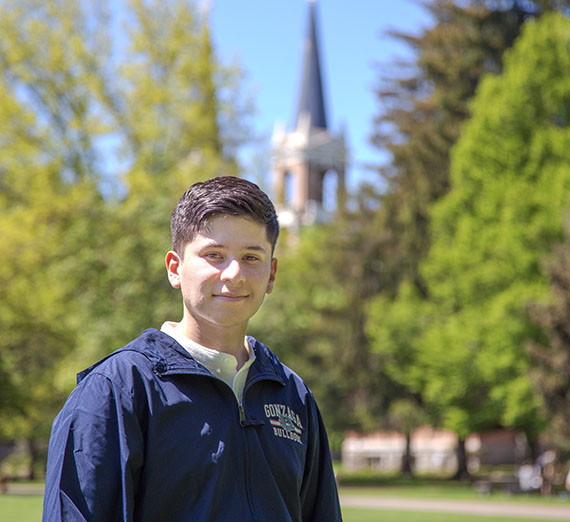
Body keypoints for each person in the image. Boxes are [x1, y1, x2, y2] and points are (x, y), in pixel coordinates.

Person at [42, 176, 342, 521]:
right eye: (214, 255)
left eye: (251, 257)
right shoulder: (117, 390)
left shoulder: (293, 395)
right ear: (175, 268)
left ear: (271, 273)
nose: (234, 273)